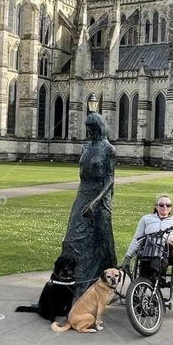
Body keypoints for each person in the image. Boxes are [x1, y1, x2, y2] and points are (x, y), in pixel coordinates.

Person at [61, 112, 117, 297]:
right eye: (87, 128)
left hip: (100, 199)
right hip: (82, 194)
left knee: (103, 240)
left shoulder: (109, 149)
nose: (89, 131)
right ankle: (75, 282)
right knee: (71, 239)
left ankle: (110, 277)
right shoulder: (85, 147)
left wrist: (95, 203)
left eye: (92, 128)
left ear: (99, 128)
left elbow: (110, 180)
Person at [124, 194, 173, 274]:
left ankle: (155, 280)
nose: (165, 207)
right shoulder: (146, 219)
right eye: (161, 205)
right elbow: (137, 239)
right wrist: (128, 256)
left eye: (168, 205)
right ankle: (145, 281)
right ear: (156, 206)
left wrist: (171, 239)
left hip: (167, 250)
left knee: (159, 261)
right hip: (148, 249)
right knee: (145, 262)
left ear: (171, 207)